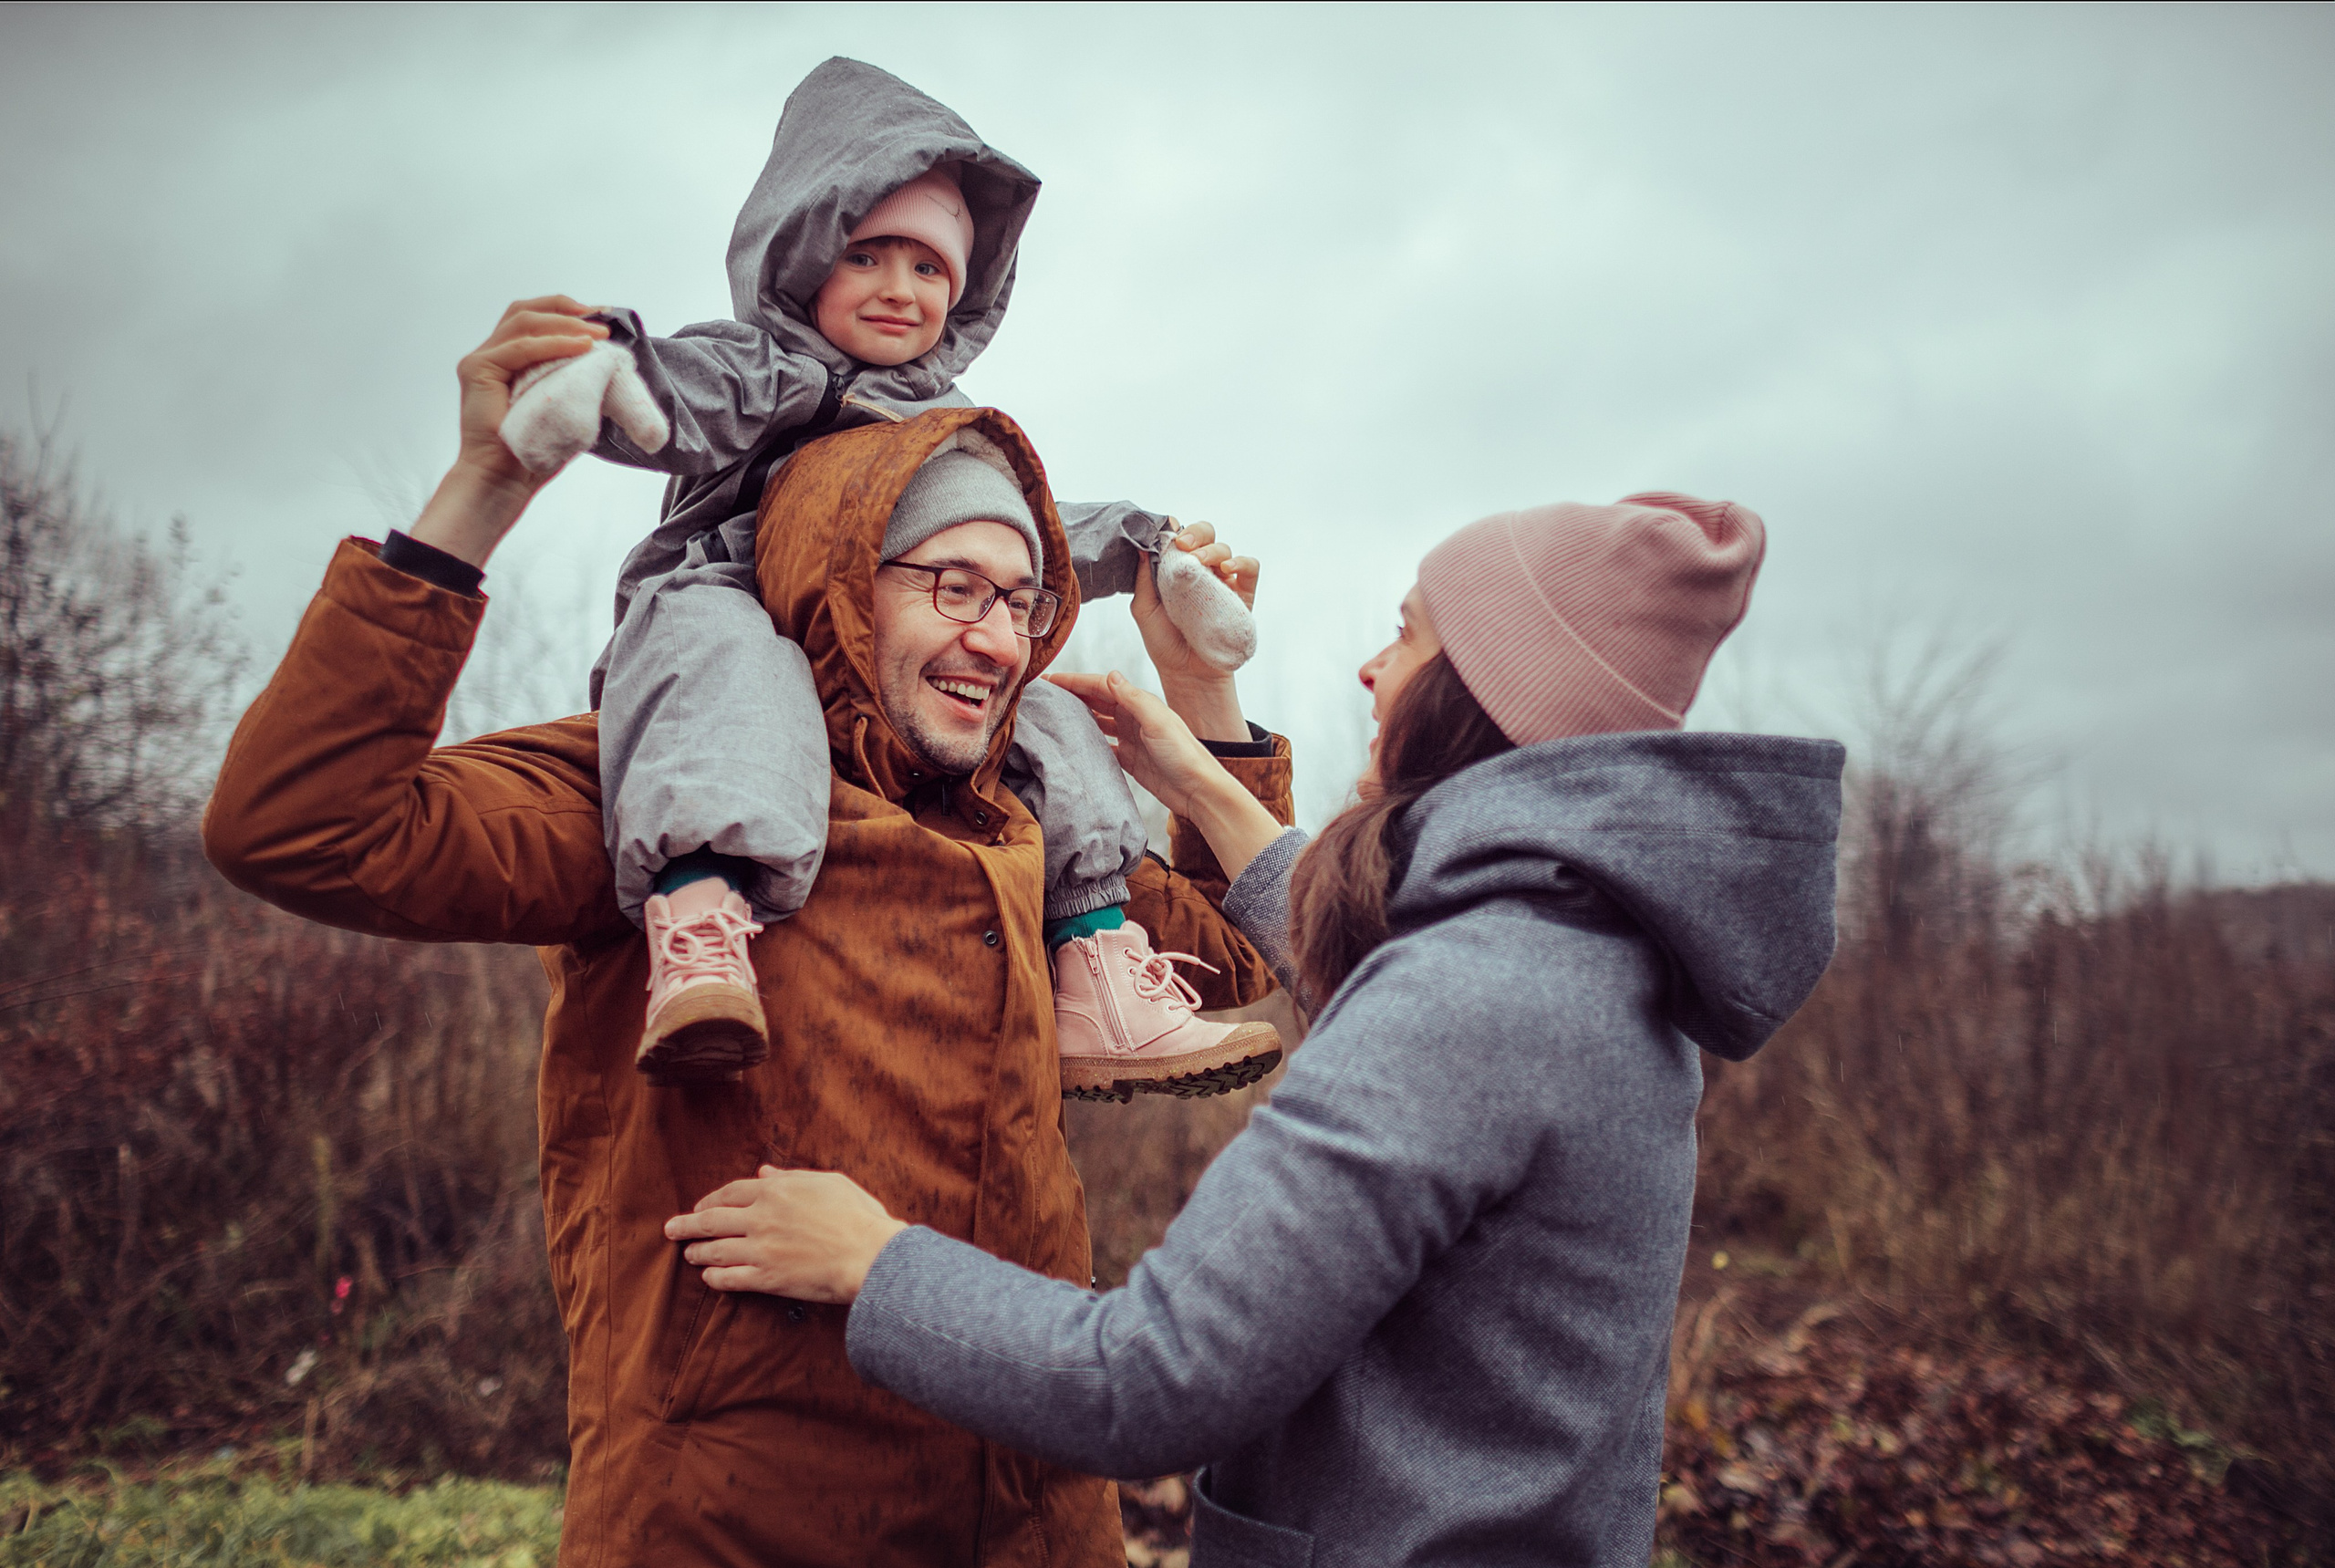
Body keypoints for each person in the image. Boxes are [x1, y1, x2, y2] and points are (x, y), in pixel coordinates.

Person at [202, 301, 1292, 1565]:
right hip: (736, 1517)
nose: (997, 640)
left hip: (1035, 1516)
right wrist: (486, 489)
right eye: (953, 587)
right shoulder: (659, 788)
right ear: (836, 577)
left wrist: (1201, 687)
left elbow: (1236, 957)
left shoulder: (1025, 821)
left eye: (1024, 600)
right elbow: (301, 824)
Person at [664, 495, 1849, 1566]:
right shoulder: (1586, 948)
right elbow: (1397, 983)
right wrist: (1200, 762)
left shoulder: (1473, 1001)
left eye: (1409, 633)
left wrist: (872, 1260)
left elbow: (1150, 1377)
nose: (1373, 671)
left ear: (1490, 689)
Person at [521, 56, 1275, 1096]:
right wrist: (607, 370)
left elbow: (1034, 530)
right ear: (803, 258)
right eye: (868, 256)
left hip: (885, 646)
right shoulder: (763, 367)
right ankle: (700, 919)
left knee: (1043, 715)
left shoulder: (942, 425)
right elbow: (682, 393)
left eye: (929, 271)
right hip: (737, 600)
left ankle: (1097, 967)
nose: (899, 290)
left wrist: (1150, 547)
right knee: (727, 666)